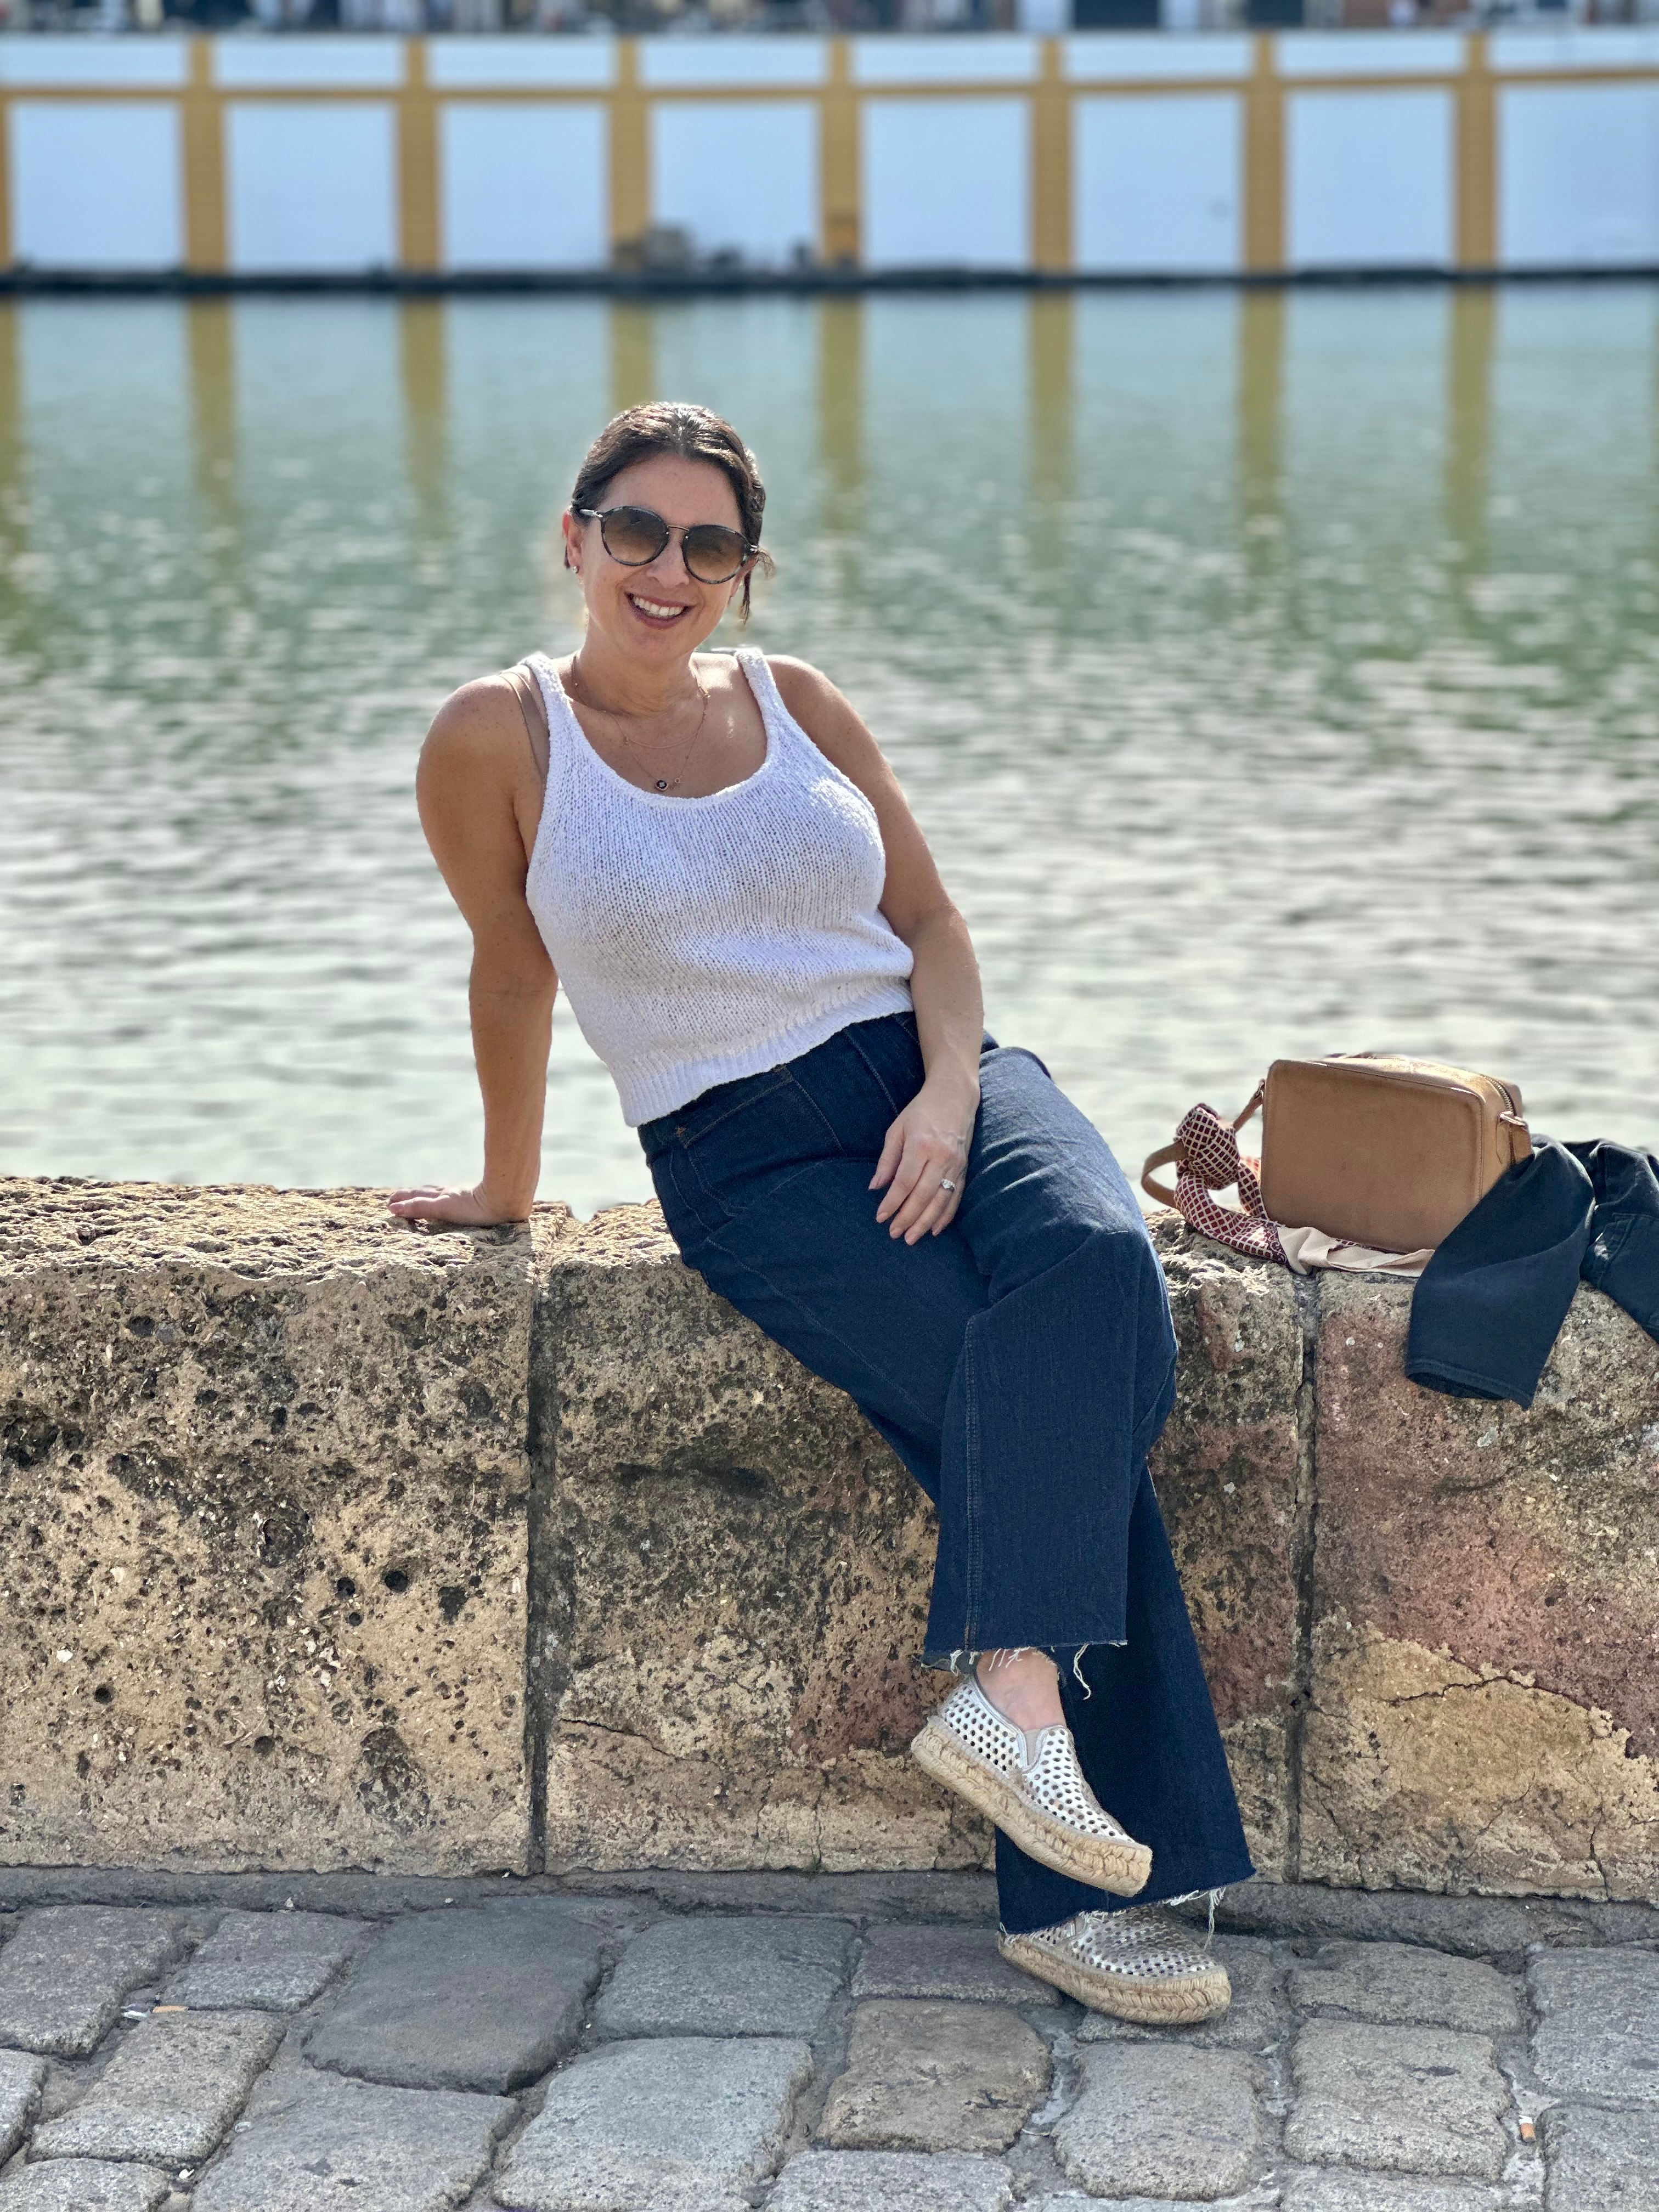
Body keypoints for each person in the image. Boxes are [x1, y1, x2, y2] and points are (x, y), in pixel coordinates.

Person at [390, 401, 1252, 2021]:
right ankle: (1073, 1880)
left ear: (746, 572)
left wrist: (943, 1092)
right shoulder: (496, 740)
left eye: (710, 546)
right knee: (1022, 1406)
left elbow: (928, 919)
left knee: (1092, 1267)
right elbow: (511, 975)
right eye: (636, 531)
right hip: (739, 1154)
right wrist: (508, 1186)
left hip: (936, 1072)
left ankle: (1020, 1720)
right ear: (573, 541)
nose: (669, 569)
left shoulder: (798, 703)